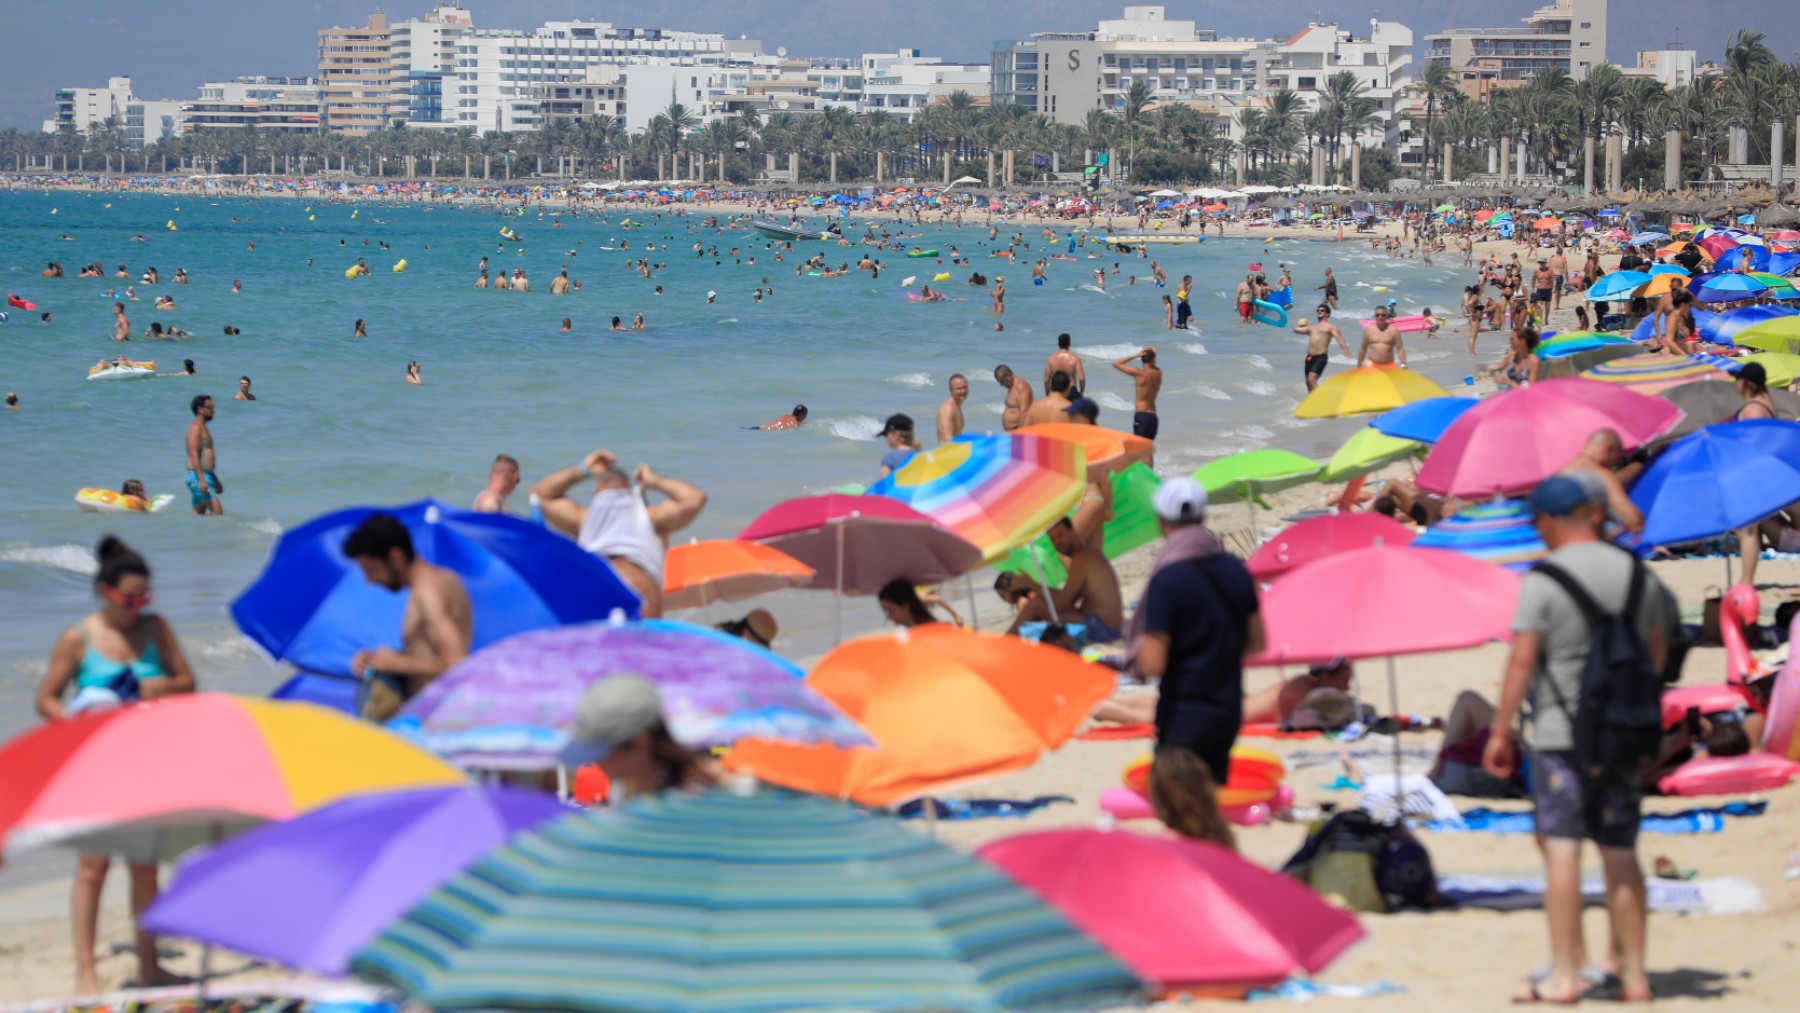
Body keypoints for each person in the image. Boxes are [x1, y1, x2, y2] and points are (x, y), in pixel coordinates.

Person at [1482, 475, 1671, 1005]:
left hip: (1560, 736)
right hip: (1621, 734)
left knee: (1562, 853)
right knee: (1620, 853)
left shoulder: (1543, 579)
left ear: (1552, 519)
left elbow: (1521, 663)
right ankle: (1633, 977)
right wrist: (1636, 703)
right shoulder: (1635, 573)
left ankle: (1565, 977)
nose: (1536, 530)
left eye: (1538, 521)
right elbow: (1656, 650)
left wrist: (1500, 732)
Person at [36, 536, 196, 995]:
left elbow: (187, 682)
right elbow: (46, 699)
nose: (137, 605)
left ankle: (150, 967)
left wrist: (153, 689)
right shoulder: (78, 638)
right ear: (105, 592)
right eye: (130, 598)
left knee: (145, 868)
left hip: (148, 761)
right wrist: (74, 721)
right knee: (92, 869)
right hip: (95, 764)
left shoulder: (156, 629)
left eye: (145, 597)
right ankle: (86, 974)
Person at [1136, 478, 1264, 850]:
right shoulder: (1235, 570)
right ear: (1203, 516)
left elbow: (1153, 662)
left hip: (1183, 715)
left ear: (1163, 521)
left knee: (1182, 818)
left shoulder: (1168, 579)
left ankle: (1219, 879)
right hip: (1226, 710)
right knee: (1204, 808)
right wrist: (1215, 650)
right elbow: (1257, 643)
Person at [531, 449, 707, 618]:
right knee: (640, 646)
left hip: (597, 585)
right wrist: (653, 481)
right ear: (630, 489)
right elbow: (695, 497)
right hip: (640, 587)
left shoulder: (584, 519)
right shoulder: (650, 517)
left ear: (598, 491)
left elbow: (539, 495)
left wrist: (584, 468)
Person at [343, 512, 474, 720]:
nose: (369, 580)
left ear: (395, 557)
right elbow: (431, 651)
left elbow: (459, 665)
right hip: (432, 707)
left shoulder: (428, 593)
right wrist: (381, 660)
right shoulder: (445, 578)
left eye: (372, 569)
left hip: (434, 716)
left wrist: (396, 664)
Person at [558, 675, 718, 799]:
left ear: (642, 742)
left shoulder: (692, 797)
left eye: (602, 751)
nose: (594, 762)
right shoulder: (628, 788)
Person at [1002, 517, 1124, 643]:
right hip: (1100, 625)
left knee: (1036, 605)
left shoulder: (1082, 560)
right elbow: (1066, 600)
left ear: (1072, 531)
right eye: (1053, 539)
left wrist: (1031, 584)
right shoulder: (1085, 555)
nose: (1057, 542)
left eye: (1060, 535)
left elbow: (1061, 604)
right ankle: (1009, 642)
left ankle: (1004, 643)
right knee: (1037, 610)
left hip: (1103, 631)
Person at [1295, 306, 1351, 392]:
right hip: (1309, 358)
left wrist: (1345, 349)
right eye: (1318, 310)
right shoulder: (1312, 328)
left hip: (1320, 357)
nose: (1319, 311)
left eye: (1322, 310)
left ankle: (1321, 401)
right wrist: (1300, 323)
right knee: (1308, 383)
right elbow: (1296, 330)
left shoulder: (1330, 327)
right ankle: (1313, 402)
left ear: (1327, 314)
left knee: (1311, 380)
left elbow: (1339, 338)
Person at [184, 394, 221, 516]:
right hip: (197, 476)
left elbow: (204, 457)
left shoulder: (202, 428)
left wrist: (214, 479)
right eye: (210, 408)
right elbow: (193, 454)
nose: (213, 411)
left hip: (204, 475)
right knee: (217, 513)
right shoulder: (195, 428)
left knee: (198, 515)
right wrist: (201, 479)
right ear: (200, 409)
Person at [1112, 348, 1163, 439]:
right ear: (1153, 359)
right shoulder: (1158, 373)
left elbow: (1116, 363)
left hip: (1142, 415)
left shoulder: (1140, 373)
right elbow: (1153, 359)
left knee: (1140, 448)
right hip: (1152, 416)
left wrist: (1136, 356)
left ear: (1142, 359)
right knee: (1148, 447)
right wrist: (1152, 353)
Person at [994, 364, 1033, 431]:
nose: (1001, 385)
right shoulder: (1011, 387)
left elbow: (1024, 411)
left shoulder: (1021, 387)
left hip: (1018, 431)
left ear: (1009, 374)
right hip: (1012, 433)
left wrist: (1020, 434)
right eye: (1000, 382)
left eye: (1003, 381)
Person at [936, 374, 969, 443]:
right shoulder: (948, 409)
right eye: (959, 388)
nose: (963, 391)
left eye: (965, 387)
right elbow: (948, 439)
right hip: (946, 452)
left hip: (955, 450)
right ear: (950, 390)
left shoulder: (956, 406)